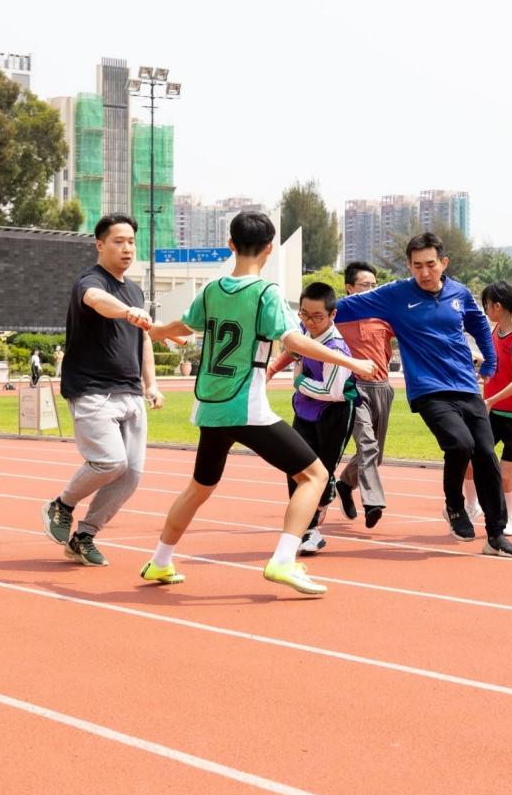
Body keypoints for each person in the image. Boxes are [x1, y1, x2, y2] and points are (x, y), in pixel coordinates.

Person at [141, 212, 375, 596]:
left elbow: (184, 324)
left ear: (230, 245)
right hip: (245, 407)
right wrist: (351, 362)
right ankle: (283, 560)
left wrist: (156, 330)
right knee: (315, 476)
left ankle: (160, 561)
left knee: (199, 487)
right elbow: (293, 340)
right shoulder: (266, 293)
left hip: (211, 407)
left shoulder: (211, 290)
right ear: (269, 249)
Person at [334, 232, 512, 558]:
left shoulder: (459, 293)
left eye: (431, 264)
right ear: (409, 266)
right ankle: (454, 506)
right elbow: (343, 307)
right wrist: (307, 316)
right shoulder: (395, 294)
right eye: (417, 265)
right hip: (428, 389)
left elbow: (478, 324)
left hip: (466, 385)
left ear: (443, 263)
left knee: (485, 454)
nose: (424, 272)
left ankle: (495, 535)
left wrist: (490, 361)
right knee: (460, 444)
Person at [39, 213, 164, 567]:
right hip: (92, 390)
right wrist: (127, 312)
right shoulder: (89, 281)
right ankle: (61, 504)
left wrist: (152, 384)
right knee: (110, 461)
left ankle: (84, 536)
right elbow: (96, 300)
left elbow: (144, 341)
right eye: (118, 241)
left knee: (132, 474)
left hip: (130, 392)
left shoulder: (135, 290)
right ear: (99, 244)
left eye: (131, 242)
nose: (127, 249)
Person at [266, 282, 359, 556]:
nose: (309, 321)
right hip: (305, 412)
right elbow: (293, 350)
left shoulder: (336, 348)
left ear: (332, 315)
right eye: (304, 315)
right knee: (295, 466)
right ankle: (308, 531)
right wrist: (272, 370)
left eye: (317, 317)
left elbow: (331, 391)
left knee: (322, 471)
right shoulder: (304, 333)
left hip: (335, 414)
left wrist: (299, 381)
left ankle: (322, 504)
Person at [461, 281, 512, 536]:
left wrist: (492, 399)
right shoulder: (495, 332)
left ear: (497, 306)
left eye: (486, 305)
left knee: (504, 475)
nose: (485, 310)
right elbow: (496, 365)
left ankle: (509, 519)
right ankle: (472, 506)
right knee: (470, 460)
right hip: (494, 412)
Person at [333, 261, 394, 529]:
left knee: (375, 454)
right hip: (353, 388)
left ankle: (345, 484)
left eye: (374, 285)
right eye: (365, 285)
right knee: (367, 445)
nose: (371, 289)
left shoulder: (385, 316)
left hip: (383, 387)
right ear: (349, 288)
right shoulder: (336, 316)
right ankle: (373, 502)